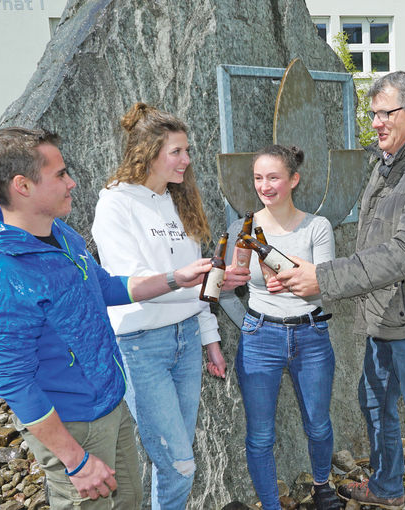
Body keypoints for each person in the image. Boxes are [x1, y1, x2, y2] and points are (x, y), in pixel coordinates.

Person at [0, 127, 214, 510]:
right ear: (22, 185)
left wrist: (174, 279)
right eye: (59, 174)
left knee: (130, 500)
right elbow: (14, 381)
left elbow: (104, 288)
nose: (72, 182)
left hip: (110, 403)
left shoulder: (61, 234)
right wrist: (75, 460)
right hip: (71, 424)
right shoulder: (2, 273)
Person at [276, 71, 405, 510]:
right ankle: (386, 487)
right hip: (386, 318)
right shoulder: (392, 162)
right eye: (373, 114)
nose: (376, 123)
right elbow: (375, 241)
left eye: (386, 113)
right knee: (374, 403)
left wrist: (324, 278)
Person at [91, 103, 249, 510]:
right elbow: (131, 283)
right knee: (180, 463)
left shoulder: (179, 200)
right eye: (177, 151)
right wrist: (187, 277)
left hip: (187, 339)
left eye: (187, 150)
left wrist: (210, 337)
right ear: (147, 152)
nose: (187, 160)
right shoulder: (115, 202)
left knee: (173, 461)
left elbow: (197, 282)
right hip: (142, 344)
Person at [225, 145, 341, 510]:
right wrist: (245, 318)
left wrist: (288, 274)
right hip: (261, 339)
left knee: (318, 424)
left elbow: (325, 280)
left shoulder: (316, 227)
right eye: (258, 178)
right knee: (260, 436)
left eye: (274, 177)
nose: (265, 185)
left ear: (294, 180)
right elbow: (228, 288)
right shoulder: (242, 229)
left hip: (311, 336)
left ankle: (323, 486)